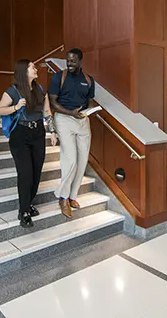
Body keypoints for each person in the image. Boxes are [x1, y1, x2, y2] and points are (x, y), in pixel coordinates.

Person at [0, 60, 58, 227]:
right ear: (23, 71)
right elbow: (0, 109)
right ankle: (23, 211)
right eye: (32, 67)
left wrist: (52, 131)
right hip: (20, 135)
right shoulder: (13, 91)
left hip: (37, 133)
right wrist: (16, 107)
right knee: (25, 173)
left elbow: (46, 112)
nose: (35, 69)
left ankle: (28, 203)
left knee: (36, 172)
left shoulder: (40, 90)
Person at [49, 48, 95, 218]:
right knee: (71, 160)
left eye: (73, 61)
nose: (69, 64)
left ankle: (72, 196)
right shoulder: (58, 77)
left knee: (82, 160)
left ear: (80, 61)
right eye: (68, 60)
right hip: (64, 118)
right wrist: (71, 113)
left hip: (82, 120)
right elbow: (53, 103)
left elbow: (90, 101)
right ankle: (63, 197)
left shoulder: (89, 80)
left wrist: (88, 111)